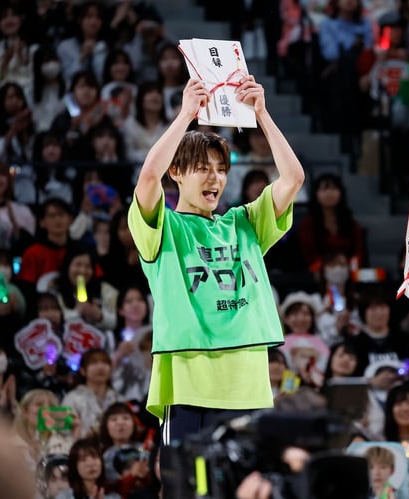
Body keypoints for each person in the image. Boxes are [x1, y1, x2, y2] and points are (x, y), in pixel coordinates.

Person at [126, 75, 305, 475]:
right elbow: (148, 178)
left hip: (248, 385)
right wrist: (185, 115)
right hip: (189, 386)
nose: (215, 178)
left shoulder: (244, 223)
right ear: (177, 172)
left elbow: (293, 178)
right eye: (202, 168)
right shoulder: (164, 228)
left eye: (221, 169)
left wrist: (262, 115)